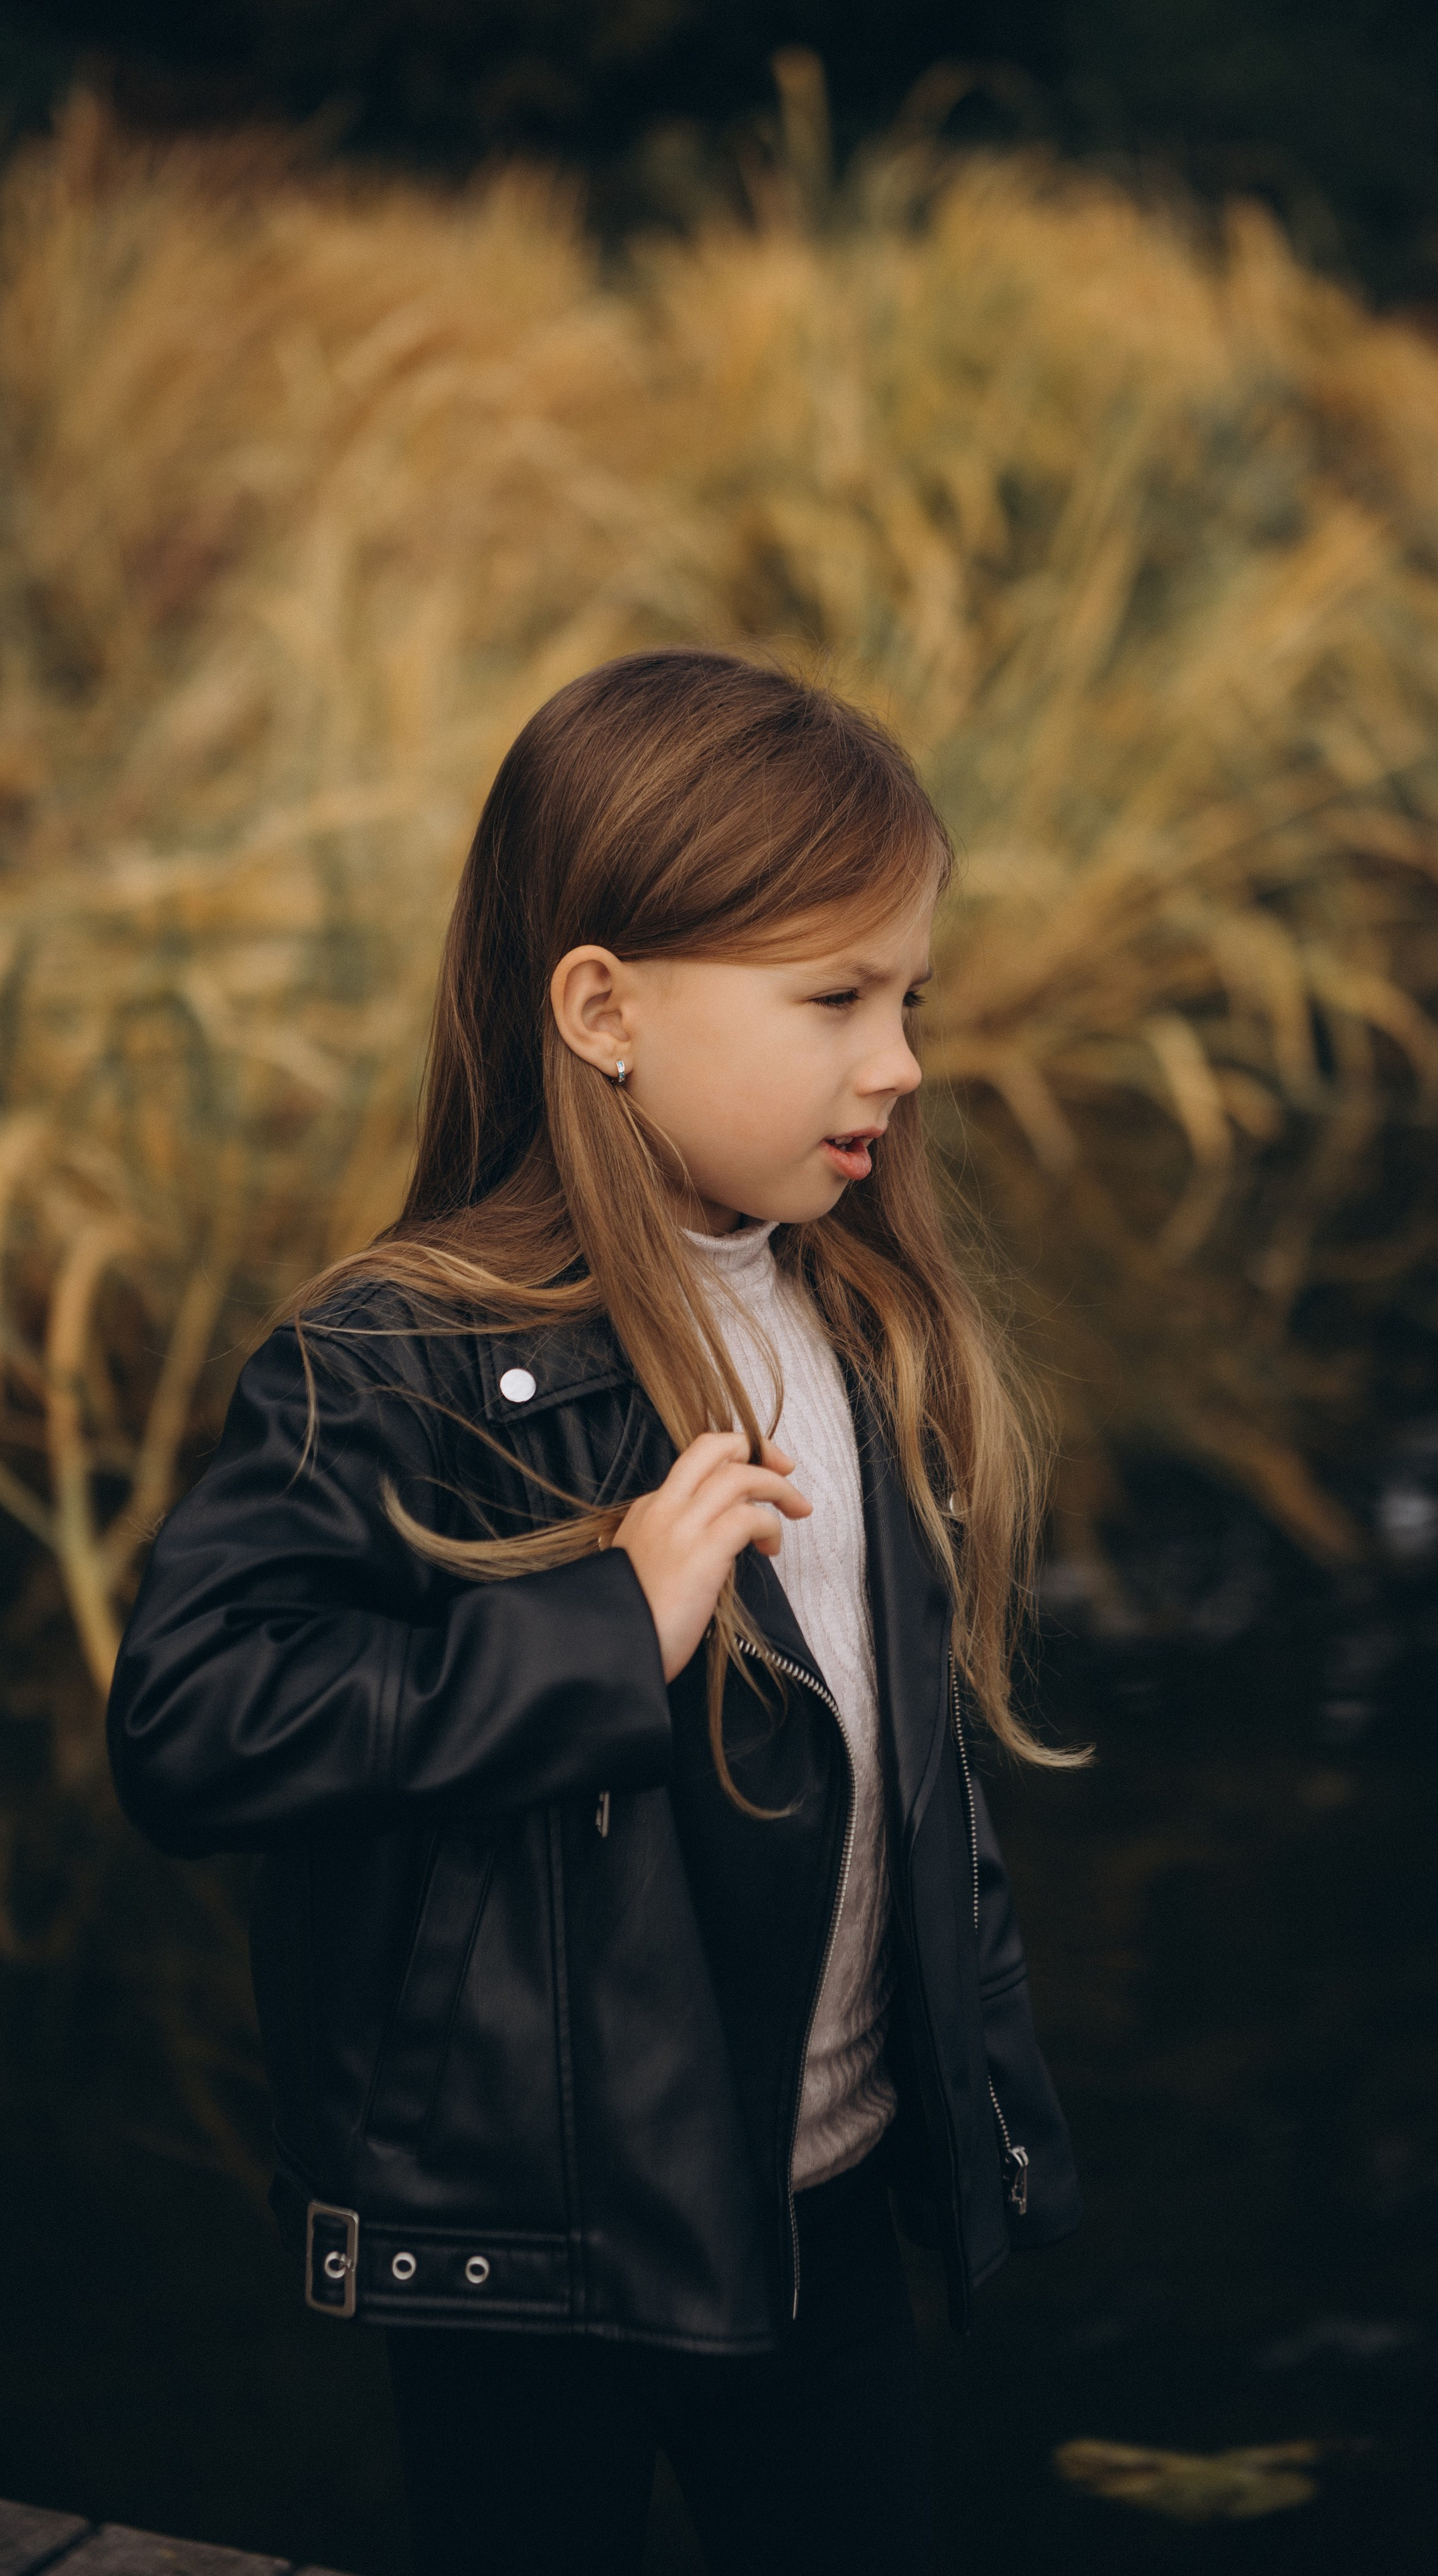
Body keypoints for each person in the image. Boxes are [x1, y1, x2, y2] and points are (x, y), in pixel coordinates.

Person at [107, 649, 1082, 2576]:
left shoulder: (848, 1311)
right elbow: (193, 1719)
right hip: (531, 2254)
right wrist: (593, 1633)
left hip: (824, 2204)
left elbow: (904, 1772)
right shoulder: (399, 1355)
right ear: (603, 1008)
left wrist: (981, 2094)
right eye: (833, 999)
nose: (896, 1059)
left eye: (909, 999)